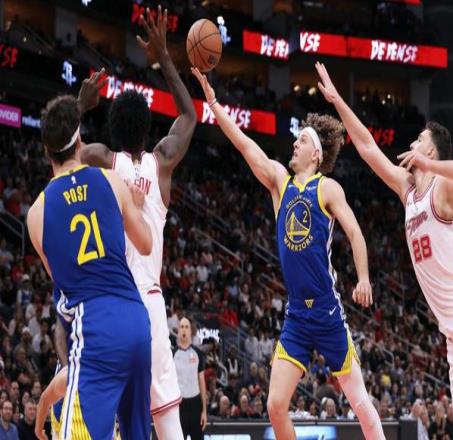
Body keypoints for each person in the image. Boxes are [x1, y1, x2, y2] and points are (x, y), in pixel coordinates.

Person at [192, 68, 384, 440]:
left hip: (327, 310)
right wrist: (213, 104)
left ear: (317, 153)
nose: (295, 144)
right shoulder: (281, 182)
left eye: (302, 141)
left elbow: (356, 232)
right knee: (275, 406)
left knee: (360, 402)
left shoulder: (327, 188)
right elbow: (245, 145)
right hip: (297, 314)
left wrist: (363, 278)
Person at [314, 62, 453, 440]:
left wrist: (431, 165)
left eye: (418, 140)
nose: (411, 145)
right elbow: (367, 147)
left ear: (430, 149)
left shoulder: (443, 188)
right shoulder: (407, 189)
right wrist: (337, 102)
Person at [78, 7, 196, 438]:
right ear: (147, 128)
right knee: (166, 418)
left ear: (112, 126)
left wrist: (80, 105)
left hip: (109, 303)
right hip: (148, 301)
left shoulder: (101, 161)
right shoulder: (160, 163)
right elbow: (189, 117)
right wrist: (164, 57)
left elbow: (63, 153)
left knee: (105, 418)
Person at [26, 95, 152, 439]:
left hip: (95, 329)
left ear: (46, 151)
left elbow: (62, 278)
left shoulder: (37, 213)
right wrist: (137, 207)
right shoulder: (111, 181)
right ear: (80, 140)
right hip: (136, 320)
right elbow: (145, 244)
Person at [173, 317, 207, 440]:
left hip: (195, 405)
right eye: (182, 327)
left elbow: (202, 383)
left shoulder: (198, 353)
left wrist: (204, 411)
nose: (184, 330)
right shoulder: (172, 354)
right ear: (178, 330)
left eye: (186, 327)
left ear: (190, 331)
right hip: (179, 406)